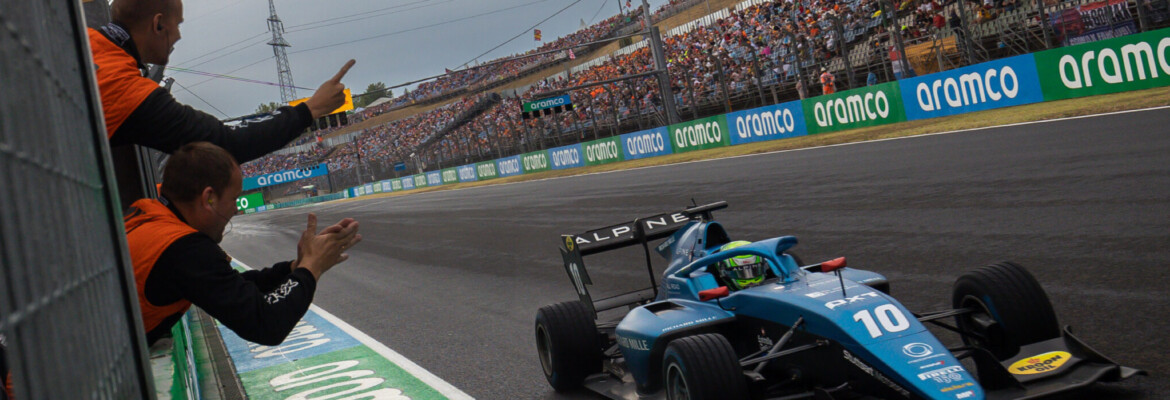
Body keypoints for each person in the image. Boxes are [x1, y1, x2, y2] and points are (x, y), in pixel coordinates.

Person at [124, 142, 362, 345]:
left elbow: (233, 286)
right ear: (209, 198)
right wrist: (311, 269)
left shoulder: (156, 212)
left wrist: (296, 267)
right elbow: (266, 324)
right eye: (235, 198)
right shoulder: (183, 248)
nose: (237, 209)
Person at [89, 0, 355, 163]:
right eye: (177, 24)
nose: (179, 34)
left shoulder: (85, 41)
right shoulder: (127, 90)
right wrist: (311, 110)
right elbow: (228, 143)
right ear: (158, 25)